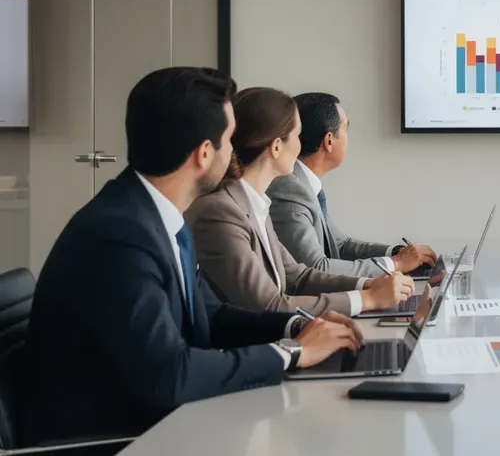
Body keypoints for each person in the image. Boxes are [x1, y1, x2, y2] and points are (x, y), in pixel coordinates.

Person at [22, 67, 364, 446]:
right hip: (114, 440)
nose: (237, 152)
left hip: (157, 423)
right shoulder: (119, 238)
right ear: (204, 153)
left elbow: (210, 314)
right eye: (230, 140)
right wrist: (292, 354)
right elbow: (170, 375)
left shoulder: (158, 216)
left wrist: (294, 328)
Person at [186, 87, 416, 317]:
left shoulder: (255, 203)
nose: (300, 147)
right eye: (297, 136)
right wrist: (367, 299)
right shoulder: (221, 212)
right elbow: (268, 305)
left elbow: (297, 276)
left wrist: (368, 286)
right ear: (276, 146)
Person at [267, 92, 435, 277]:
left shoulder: (305, 185)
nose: (348, 137)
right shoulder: (290, 191)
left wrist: (396, 254)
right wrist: (395, 264)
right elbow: (316, 268)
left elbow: (340, 245)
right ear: (329, 140)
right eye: (346, 129)